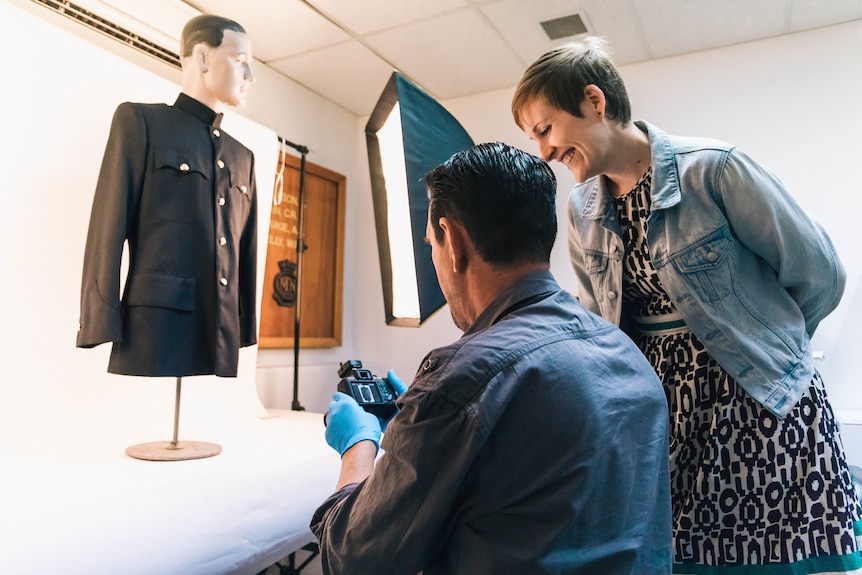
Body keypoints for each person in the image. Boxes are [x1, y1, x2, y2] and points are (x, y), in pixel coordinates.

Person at [512, 36, 862, 573]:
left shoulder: (716, 171)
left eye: (546, 129)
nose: (544, 152)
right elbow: (596, 323)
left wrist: (770, 343)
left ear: (594, 101)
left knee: (777, 561)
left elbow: (821, 274)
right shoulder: (581, 208)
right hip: (664, 416)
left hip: (760, 402)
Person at [311, 142, 672, 574]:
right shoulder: (626, 353)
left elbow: (353, 558)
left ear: (454, 242)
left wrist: (359, 445)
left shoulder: (461, 381)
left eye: (431, 244)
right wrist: (422, 427)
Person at [77, 15, 258, 377]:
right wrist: (100, 319)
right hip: (156, 328)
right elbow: (107, 226)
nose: (250, 77)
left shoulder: (243, 157)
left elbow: (246, 252)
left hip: (216, 324)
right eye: (240, 61)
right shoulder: (141, 122)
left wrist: (242, 325)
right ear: (204, 58)